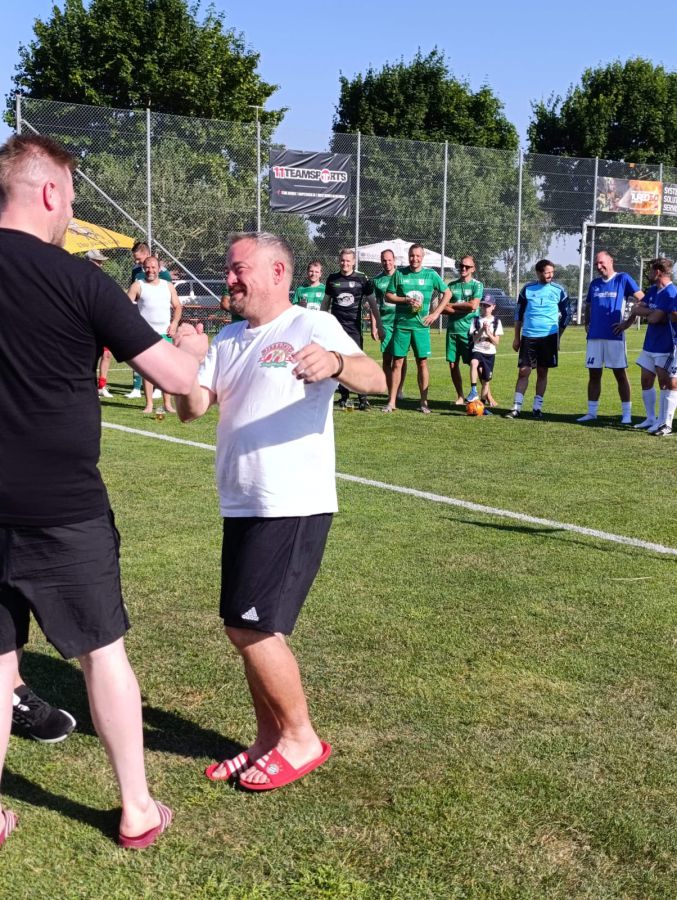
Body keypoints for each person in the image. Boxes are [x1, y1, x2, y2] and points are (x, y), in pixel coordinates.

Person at [0, 133, 206, 848]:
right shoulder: (79, 280)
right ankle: (137, 808)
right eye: (71, 198)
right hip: (62, 508)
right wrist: (194, 346)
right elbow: (177, 379)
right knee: (101, 652)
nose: (71, 213)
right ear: (49, 192)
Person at [175, 232, 385, 791]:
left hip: (291, 502)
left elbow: (375, 378)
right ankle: (267, 740)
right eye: (228, 269)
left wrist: (336, 362)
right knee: (244, 626)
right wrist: (186, 359)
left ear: (277, 273)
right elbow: (190, 409)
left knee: (253, 629)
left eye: (239, 268)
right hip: (242, 503)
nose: (230, 278)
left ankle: (301, 738)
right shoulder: (228, 338)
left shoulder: (310, 324)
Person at [577, 251, 643, 425]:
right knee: (594, 374)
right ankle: (591, 413)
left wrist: (628, 322)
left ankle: (626, 414)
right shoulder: (594, 283)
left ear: (611, 261)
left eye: (602, 263)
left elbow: (642, 300)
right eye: (596, 264)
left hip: (615, 336)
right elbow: (589, 305)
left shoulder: (623, 278)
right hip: (594, 337)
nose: (599, 267)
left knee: (620, 374)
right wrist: (587, 323)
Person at [385, 243, 451, 413]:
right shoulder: (399, 273)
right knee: (397, 362)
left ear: (422, 257)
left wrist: (435, 314)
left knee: (422, 363)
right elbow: (388, 296)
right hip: (401, 326)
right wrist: (405, 300)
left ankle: (423, 402)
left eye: (418, 256)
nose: (414, 259)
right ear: (408, 256)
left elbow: (447, 293)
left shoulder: (431, 274)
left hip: (421, 327)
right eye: (412, 256)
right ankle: (392, 402)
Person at [617, 257, 677, 435]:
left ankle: (664, 422)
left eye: (650, 270)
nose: (648, 273)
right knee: (645, 380)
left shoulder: (670, 292)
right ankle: (651, 418)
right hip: (649, 344)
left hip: (665, 346)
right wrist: (653, 312)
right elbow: (636, 308)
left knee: (666, 383)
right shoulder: (653, 290)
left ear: (658, 272)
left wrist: (651, 313)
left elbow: (654, 319)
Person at [505, 259, 570, 420]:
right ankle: (516, 408)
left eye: (552, 272)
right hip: (529, 336)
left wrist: (558, 337)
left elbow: (567, 315)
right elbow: (518, 314)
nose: (550, 275)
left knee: (542, 372)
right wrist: (516, 337)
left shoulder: (559, 290)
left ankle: (537, 408)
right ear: (538, 272)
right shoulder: (527, 289)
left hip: (549, 337)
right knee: (523, 371)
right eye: (547, 272)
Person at [322, 248, 383, 410]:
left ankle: (363, 398)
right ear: (339, 261)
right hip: (336, 329)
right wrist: (321, 322)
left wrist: (379, 325)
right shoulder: (332, 279)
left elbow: (373, 304)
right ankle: (344, 396)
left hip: (354, 329)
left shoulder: (362, 279)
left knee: (358, 362)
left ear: (354, 262)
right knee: (339, 361)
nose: (345, 263)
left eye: (348, 261)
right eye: (342, 260)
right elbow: (326, 303)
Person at [127, 256, 182, 414]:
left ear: (159, 268)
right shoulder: (137, 285)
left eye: (153, 267)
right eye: (147, 267)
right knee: (148, 370)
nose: (150, 270)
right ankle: (149, 404)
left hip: (165, 334)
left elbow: (178, 306)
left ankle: (167, 404)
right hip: (146, 335)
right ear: (143, 268)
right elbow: (125, 308)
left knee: (166, 370)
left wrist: (174, 323)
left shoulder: (168, 285)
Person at [126, 242, 173, 398]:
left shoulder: (163, 273)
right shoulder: (136, 271)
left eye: (139, 259)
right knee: (139, 356)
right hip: (141, 321)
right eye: (135, 259)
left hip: (160, 325)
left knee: (160, 360)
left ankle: (159, 387)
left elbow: (167, 295)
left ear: (146, 255)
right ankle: (136, 388)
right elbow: (134, 294)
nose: (137, 262)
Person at [443, 255, 483, 404]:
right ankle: (460, 396)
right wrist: (461, 309)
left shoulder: (477, 285)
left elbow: (473, 306)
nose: (463, 268)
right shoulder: (451, 285)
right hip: (452, 331)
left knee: (475, 364)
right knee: (453, 365)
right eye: (461, 266)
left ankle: (485, 394)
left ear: (473, 268)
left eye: (467, 266)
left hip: (470, 332)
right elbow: (441, 307)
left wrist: (452, 305)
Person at [372, 248, 407, 404]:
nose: (387, 263)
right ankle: (390, 388)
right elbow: (374, 305)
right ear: (381, 261)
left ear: (394, 260)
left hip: (401, 322)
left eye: (389, 260)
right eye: (384, 260)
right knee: (387, 358)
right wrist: (374, 326)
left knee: (401, 358)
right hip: (385, 323)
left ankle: (399, 389)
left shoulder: (402, 276)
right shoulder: (376, 280)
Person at [86, 249, 115, 398]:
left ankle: (102, 386)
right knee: (91, 356)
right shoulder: (82, 279)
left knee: (107, 354)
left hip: (103, 323)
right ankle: (88, 386)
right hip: (88, 325)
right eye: (98, 262)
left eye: (101, 262)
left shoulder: (104, 280)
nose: (101, 265)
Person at [468, 296, 503, 412]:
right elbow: (474, 339)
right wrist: (482, 330)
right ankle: (473, 390)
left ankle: (482, 405)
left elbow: (496, 342)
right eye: (483, 305)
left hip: (490, 353)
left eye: (488, 305)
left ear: (493, 307)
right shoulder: (475, 320)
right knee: (473, 363)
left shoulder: (496, 322)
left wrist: (488, 333)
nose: (485, 308)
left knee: (486, 381)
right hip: (478, 349)